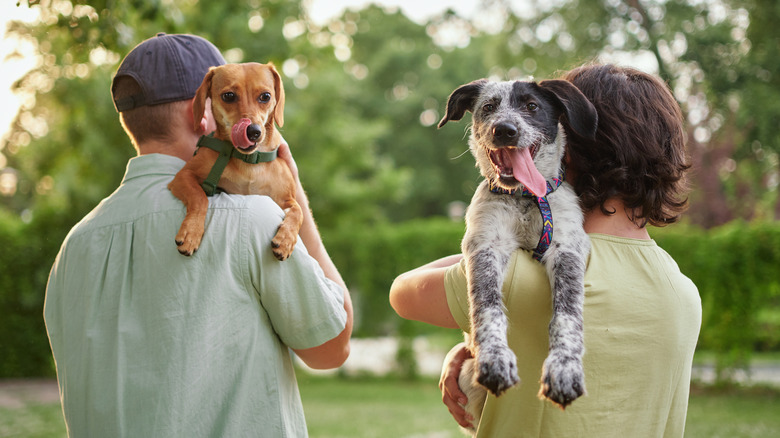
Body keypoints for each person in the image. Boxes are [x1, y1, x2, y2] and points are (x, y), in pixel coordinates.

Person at [44, 33, 353, 437]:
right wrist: (295, 196)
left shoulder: (73, 246)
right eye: (231, 97)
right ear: (203, 112)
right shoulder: (254, 221)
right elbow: (332, 346)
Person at [389, 63, 701, 437]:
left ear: (566, 145)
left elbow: (403, 293)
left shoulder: (519, 279)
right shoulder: (682, 291)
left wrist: (475, 332)